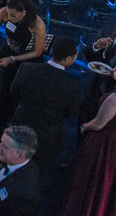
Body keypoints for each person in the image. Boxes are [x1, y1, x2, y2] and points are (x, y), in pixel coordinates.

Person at [63, 57, 116, 216]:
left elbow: (98, 124)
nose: (113, 71)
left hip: (107, 143)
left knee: (98, 180)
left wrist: (84, 126)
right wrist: (115, 74)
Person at [10, 36, 80, 173]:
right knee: (38, 174)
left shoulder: (27, 68)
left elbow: (14, 93)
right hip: (48, 139)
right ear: (68, 59)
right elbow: (71, 113)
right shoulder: (73, 84)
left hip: (21, 126)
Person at [0, 126, 42, 216]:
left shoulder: (25, 195)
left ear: (20, 156)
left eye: (5, 146)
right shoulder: (11, 161)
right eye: (1, 142)